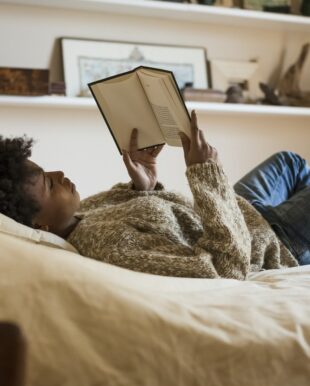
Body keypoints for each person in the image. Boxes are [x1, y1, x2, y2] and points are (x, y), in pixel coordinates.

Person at [1, 110, 308, 280]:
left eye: (48, 170)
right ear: (39, 225)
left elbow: (149, 218)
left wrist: (145, 186)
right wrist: (205, 173)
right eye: (49, 184)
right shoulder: (112, 248)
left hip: (240, 209)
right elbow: (225, 266)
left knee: (289, 162)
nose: (59, 175)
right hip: (268, 239)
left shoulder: (80, 216)